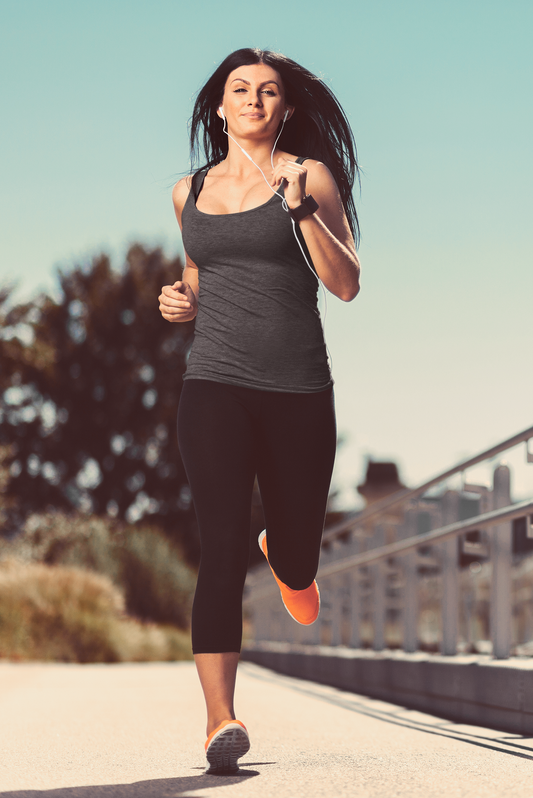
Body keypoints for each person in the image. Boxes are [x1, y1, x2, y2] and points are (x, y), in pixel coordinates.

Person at [159, 47, 360, 774]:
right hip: (212, 384)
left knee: (297, 551)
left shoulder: (309, 177)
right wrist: (180, 302)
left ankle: (291, 554)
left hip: (299, 390)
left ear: (287, 108)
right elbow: (197, 279)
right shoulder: (188, 192)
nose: (252, 99)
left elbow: (345, 284)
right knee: (219, 547)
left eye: (267, 91)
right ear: (218, 105)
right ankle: (220, 719)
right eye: (238, 89)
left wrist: (299, 209)